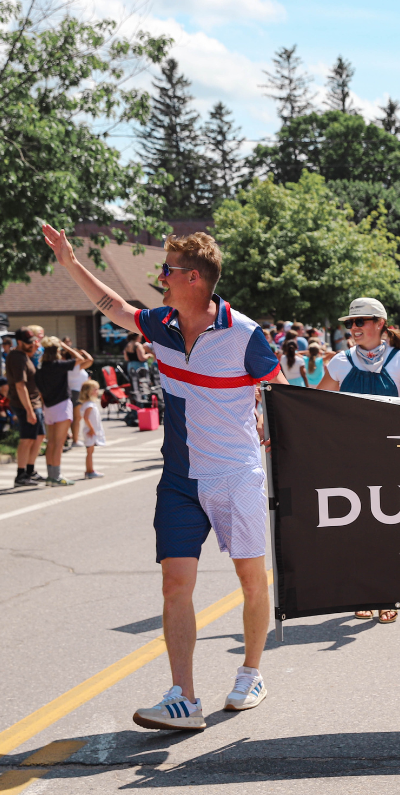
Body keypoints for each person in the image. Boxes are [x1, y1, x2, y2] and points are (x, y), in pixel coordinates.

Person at [44, 223, 286, 730]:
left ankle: (251, 672)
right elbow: (115, 307)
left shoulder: (243, 333)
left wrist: (269, 415)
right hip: (180, 477)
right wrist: (69, 262)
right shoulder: (162, 324)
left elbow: (282, 392)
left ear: (193, 278)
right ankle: (184, 697)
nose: (160, 277)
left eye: (168, 270)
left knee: (250, 579)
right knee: (175, 583)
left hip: (234, 473)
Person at [317, 297, 400, 624]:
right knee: (357, 525)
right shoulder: (340, 362)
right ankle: (362, 591)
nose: (353, 328)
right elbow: (312, 403)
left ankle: (387, 593)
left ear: (380, 324)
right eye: (350, 324)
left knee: (389, 524)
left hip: (391, 455)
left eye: (360, 322)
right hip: (351, 455)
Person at [35, 336, 92, 485]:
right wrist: (65, 347)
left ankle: (50, 476)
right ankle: (57, 476)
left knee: (51, 443)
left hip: (48, 407)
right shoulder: (60, 365)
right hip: (62, 405)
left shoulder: (40, 369)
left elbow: (40, 392)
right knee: (59, 443)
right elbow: (80, 358)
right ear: (57, 350)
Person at [6, 328, 46, 486]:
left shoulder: (24, 355)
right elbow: (20, 385)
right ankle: (21, 474)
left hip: (34, 402)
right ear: (19, 342)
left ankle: (30, 471)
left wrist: (33, 350)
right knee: (27, 439)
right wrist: (29, 411)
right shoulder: (17, 358)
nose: (32, 346)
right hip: (24, 404)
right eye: (28, 343)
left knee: (39, 436)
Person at [77, 379, 106, 478]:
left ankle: (90, 470)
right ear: (89, 392)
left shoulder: (89, 404)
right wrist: (92, 429)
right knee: (89, 452)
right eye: (95, 389)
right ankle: (90, 471)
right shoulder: (89, 405)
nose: (97, 391)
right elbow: (86, 417)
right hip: (90, 431)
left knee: (90, 451)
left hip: (90, 430)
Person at [67, 344, 93, 449]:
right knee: (76, 418)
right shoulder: (75, 366)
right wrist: (84, 351)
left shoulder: (74, 366)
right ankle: (75, 440)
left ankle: (74, 437)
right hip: (76, 392)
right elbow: (90, 360)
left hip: (76, 392)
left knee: (76, 417)